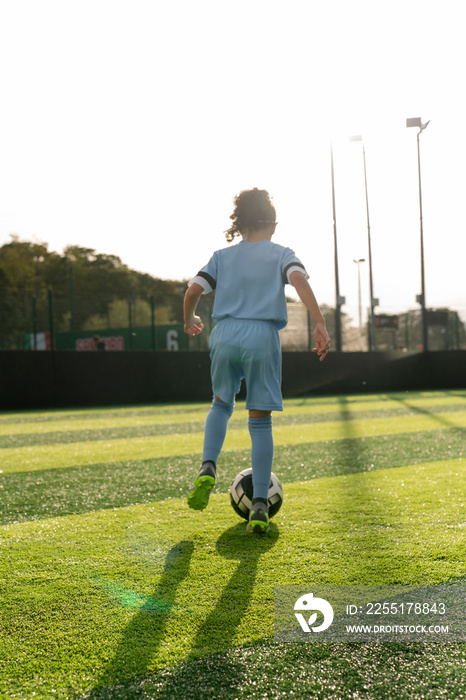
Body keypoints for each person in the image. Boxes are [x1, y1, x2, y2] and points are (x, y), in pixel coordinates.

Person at [183, 188, 330, 533]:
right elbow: (298, 280)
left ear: (241, 223)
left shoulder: (221, 256)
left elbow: (192, 291)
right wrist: (319, 322)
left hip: (224, 333)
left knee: (220, 404)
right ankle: (260, 505)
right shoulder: (282, 254)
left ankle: (207, 467)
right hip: (261, 336)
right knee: (260, 422)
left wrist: (189, 319)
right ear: (273, 225)